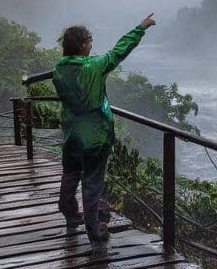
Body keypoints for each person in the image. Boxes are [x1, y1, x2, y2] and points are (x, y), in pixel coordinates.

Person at [53, 14, 156, 252]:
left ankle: (70, 214)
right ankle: (95, 232)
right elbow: (120, 50)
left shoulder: (59, 69)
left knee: (69, 176)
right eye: (89, 41)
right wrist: (141, 27)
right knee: (91, 185)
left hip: (71, 134)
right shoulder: (95, 66)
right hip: (95, 138)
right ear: (81, 46)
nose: (92, 45)